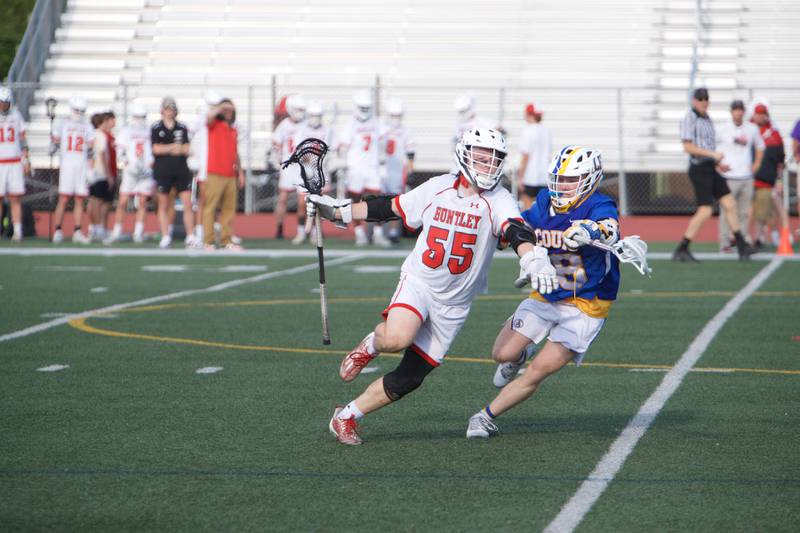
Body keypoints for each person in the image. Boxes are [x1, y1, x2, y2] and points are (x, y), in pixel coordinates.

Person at [307, 128, 559, 446]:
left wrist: (533, 259)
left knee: (409, 379)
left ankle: (345, 417)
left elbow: (516, 230)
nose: (488, 165)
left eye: (494, 159)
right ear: (464, 154)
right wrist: (339, 210)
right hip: (420, 283)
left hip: (454, 303)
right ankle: (372, 345)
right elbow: (391, 208)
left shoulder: (499, 199)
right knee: (398, 337)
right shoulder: (439, 187)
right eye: (481, 157)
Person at [465, 145, 620, 438]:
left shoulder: (599, 206)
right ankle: (519, 355)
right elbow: (525, 222)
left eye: (570, 180)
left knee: (539, 371)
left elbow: (610, 227)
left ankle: (485, 417)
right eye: (559, 178)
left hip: (586, 304)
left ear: (589, 179)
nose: (562, 185)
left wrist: (591, 231)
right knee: (502, 353)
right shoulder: (546, 199)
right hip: (549, 292)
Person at [673, 87, 752, 262]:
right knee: (706, 210)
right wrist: (712, 156)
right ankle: (682, 248)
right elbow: (688, 147)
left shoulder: (707, 118)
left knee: (730, 204)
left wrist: (717, 163)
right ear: (694, 100)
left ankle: (741, 245)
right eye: (700, 98)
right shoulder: (689, 117)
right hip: (699, 168)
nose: (703, 101)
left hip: (710, 167)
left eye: (706, 98)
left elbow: (708, 146)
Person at [338, 90, 387, 246]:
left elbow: (383, 141)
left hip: (372, 167)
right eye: (363, 108)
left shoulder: (376, 121)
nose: (365, 111)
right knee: (356, 201)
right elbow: (343, 148)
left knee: (379, 200)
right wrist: (343, 165)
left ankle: (378, 234)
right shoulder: (351, 124)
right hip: (355, 168)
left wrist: (383, 161)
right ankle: (360, 233)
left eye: (367, 108)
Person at [715, 99, 764, 252]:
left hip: (746, 177)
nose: (738, 112)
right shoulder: (723, 128)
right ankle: (724, 243)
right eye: (735, 109)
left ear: (743, 111)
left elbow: (760, 146)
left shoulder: (752, 129)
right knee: (726, 211)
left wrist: (756, 164)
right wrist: (718, 165)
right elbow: (713, 147)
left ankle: (741, 242)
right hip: (729, 177)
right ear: (731, 111)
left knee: (744, 212)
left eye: (740, 109)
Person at [151, 96, 199, 248]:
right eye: (167, 109)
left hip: (180, 170)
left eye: (172, 109)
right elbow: (156, 149)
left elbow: (186, 149)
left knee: (187, 202)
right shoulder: (156, 128)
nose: (169, 112)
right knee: (164, 203)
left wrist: (168, 148)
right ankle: (166, 235)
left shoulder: (182, 127)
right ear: (162, 110)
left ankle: (190, 235)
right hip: (163, 170)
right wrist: (173, 147)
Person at [106, 102, 154, 244]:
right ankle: (117, 230)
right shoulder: (126, 130)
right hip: (131, 171)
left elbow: (153, 151)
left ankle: (138, 232)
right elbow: (121, 151)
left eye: (142, 116)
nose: (139, 119)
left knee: (143, 202)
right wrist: (126, 162)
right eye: (137, 116)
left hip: (146, 171)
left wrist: (149, 164)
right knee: (123, 201)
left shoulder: (150, 131)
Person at [202, 98, 245, 250]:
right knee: (210, 208)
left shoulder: (233, 129)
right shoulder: (214, 125)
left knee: (229, 210)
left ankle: (226, 240)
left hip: (230, 174)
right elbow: (208, 117)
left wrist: (240, 172)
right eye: (225, 110)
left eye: (230, 110)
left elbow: (235, 153)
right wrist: (221, 106)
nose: (228, 113)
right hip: (215, 173)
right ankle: (208, 240)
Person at [52, 95, 94, 244]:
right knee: (63, 198)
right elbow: (55, 141)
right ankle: (57, 229)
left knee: (79, 199)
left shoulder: (87, 126)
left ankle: (77, 230)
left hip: (81, 165)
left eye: (81, 110)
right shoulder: (63, 123)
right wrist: (53, 146)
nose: (78, 113)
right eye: (76, 110)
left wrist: (90, 168)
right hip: (67, 165)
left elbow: (90, 149)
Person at [751, 103, 787, 249]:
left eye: (762, 113)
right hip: (748, 177)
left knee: (766, 210)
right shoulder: (748, 130)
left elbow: (780, 160)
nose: (760, 116)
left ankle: (767, 236)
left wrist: (779, 179)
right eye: (757, 113)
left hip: (766, 179)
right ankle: (744, 238)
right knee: (748, 210)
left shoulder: (774, 134)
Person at [271, 94, 306, 242]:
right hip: (288, 165)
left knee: (303, 201)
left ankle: (302, 230)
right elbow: (276, 142)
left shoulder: (306, 124)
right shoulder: (285, 124)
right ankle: (279, 228)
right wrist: (277, 156)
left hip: (302, 167)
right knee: (283, 199)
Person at [380, 98, 415, 243]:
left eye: (398, 115)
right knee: (379, 200)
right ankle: (378, 231)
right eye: (394, 115)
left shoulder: (406, 131)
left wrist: (410, 171)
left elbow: (410, 153)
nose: (396, 119)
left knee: (395, 200)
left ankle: (394, 231)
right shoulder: (380, 128)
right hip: (381, 168)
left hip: (397, 170)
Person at [0, 86, 30, 242]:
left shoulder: (16, 115)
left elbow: (23, 138)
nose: (4, 106)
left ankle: (17, 230)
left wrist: (25, 159)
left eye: (5, 102)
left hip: (14, 161)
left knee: (15, 197)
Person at [87, 110, 117, 242]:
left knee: (94, 201)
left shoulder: (93, 135)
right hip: (101, 173)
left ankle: (95, 227)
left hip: (94, 172)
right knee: (98, 201)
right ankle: (98, 228)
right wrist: (108, 174)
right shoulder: (100, 135)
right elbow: (101, 155)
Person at [517, 102, 552, 210]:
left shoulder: (528, 130)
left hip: (530, 176)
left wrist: (520, 177)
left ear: (529, 115)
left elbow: (526, 156)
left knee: (526, 208)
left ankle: (527, 227)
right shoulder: (546, 131)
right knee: (543, 208)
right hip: (545, 176)